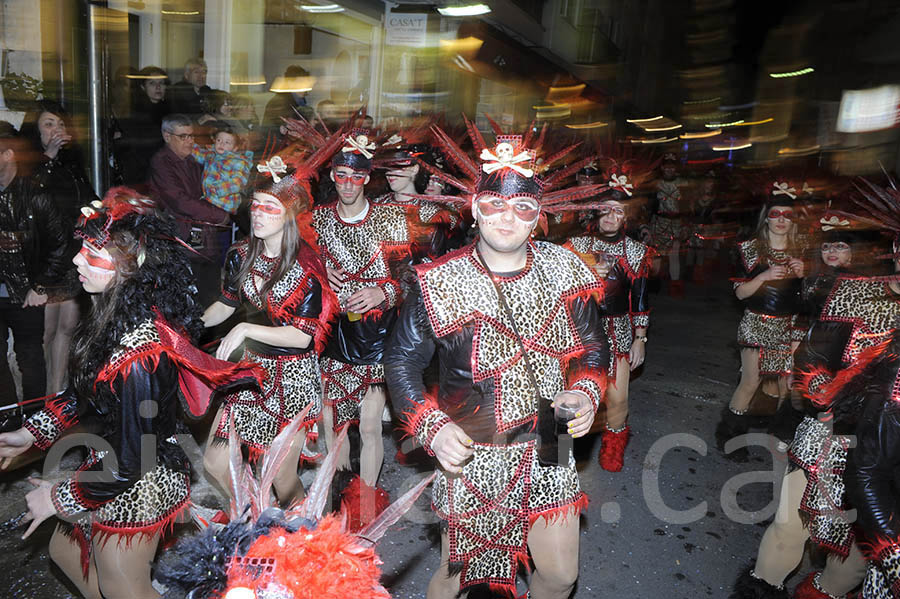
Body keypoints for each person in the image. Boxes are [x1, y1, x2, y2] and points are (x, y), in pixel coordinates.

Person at [0, 188, 258, 599]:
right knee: (66, 553)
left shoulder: (142, 356)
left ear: (131, 267)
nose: (76, 259)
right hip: (109, 466)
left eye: (93, 252)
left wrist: (58, 498)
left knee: (123, 588)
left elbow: (135, 460)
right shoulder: (110, 316)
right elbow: (86, 391)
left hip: (141, 484)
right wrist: (33, 434)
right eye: (82, 247)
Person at [384, 127, 609, 599]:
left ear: (538, 217)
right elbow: (402, 363)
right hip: (473, 446)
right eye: (495, 205)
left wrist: (585, 393)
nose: (508, 218)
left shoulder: (567, 269)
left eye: (522, 208)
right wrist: (431, 427)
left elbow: (593, 345)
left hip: (549, 432)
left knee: (561, 573)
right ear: (474, 208)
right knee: (459, 575)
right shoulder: (437, 281)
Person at [729, 181, 900, 599]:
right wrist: (828, 402)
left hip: (895, 460)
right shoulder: (857, 293)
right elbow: (813, 357)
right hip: (833, 437)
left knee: (857, 562)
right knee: (790, 528)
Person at [202, 140, 341, 506]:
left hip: (293, 379)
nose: (258, 214)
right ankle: (255, 516)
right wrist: (187, 326)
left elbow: (302, 337)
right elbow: (227, 304)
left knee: (281, 475)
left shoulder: (307, 266)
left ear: (290, 215)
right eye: (255, 206)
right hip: (250, 373)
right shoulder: (239, 255)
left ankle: (300, 515)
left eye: (270, 208)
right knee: (215, 462)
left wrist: (246, 329)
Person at [311, 128, 416, 523]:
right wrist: (323, 275)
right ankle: (337, 493)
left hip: (378, 335)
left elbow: (409, 277)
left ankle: (366, 504)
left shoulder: (390, 218)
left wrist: (381, 293)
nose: (349, 184)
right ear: (333, 176)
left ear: (367, 178)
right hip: (336, 332)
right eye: (341, 175)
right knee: (331, 419)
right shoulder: (318, 220)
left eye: (357, 177)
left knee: (370, 423)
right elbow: (301, 263)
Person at [564, 159, 655, 472]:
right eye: (606, 208)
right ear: (595, 210)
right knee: (568, 396)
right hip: (577, 328)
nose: (611, 216)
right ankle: (562, 455)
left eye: (619, 211)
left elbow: (640, 299)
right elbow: (560, 289)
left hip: (618, 331)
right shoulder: (574, 246)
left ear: (627, 216)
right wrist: (585, 276)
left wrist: (641, 339)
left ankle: (613, 451)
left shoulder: (637, 251)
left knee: (616, 399)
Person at [715, 182, 808, 459]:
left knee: (785, 386)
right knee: (751, 381)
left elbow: (811, 297)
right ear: (766, 217)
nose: (781, 220)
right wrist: (763, 277)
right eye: (775, 214)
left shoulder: (803, 252)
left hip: (789, 327)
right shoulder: (749, 249)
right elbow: (740, 293)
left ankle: (781, 439)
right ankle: (729, 437)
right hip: (756, 323)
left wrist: (806, 275)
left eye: (787, 215)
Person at [20, 101, 97, 394]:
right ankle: (35, 398)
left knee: (67, 328)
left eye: (61, 124)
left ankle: (56, 396)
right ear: (36, 131)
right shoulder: (29, 166)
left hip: (72, 254)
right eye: (49, 124)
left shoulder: (72, 164)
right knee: (45, 332)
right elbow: (31, 197)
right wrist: (49, 155)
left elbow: (88, 198)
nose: (57, 130)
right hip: (45, 258)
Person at [0, 122, 68, 405]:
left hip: (25, 292)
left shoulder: (35, 195)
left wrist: (40, 286)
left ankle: (34, 420)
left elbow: (60, 244)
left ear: (8, 155)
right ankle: (6, 416)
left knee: (30, 355)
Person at [148, 113, 231, 305]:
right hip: (181, 240)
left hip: (204, 238)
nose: (189, 141)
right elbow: (180, 201)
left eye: (191, 136)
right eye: (183, 136)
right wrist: (219, 215)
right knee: (190, 300)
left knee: (210, 295)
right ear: (167, 136)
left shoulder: (194, 159)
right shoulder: (161, 162)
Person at [116, 65, 170, 185]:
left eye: (161, 83)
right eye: (152, 83)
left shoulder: (169, 109)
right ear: (142, 87)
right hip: (142, 172)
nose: (158, 87)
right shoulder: (134, 111)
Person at [191, 121, 253, 215]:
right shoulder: (211, 154)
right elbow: (199, 155)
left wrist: (218, 189)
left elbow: (238, 182)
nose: (222, 144)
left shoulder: (238, 162)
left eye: (227, 142)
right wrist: (190, 145)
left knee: (197, 211)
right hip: (210, 199)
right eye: (219, 140)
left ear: (235, 148)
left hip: (225, 204)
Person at [650, 152, 689, 296]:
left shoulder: (683, 183)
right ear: (662, 168)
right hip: (659, 223)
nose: (669, 170)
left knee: (674, 254)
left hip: (676, 223)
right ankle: (655, 283)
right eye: (667, 167)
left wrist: (686, 223)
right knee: (657, 254)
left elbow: (687, 204)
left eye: (672, 167)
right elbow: (649, 204)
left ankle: (675, 286)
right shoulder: (655, 184)